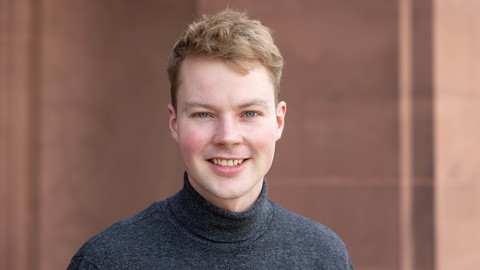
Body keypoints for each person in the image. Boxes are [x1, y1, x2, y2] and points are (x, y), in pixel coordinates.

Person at [67, 8, 353, 269]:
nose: (228, 137)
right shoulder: (106, 261)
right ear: (175, 122)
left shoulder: (323, 257)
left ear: (278, 121)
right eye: (204, 114)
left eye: (249, 113)